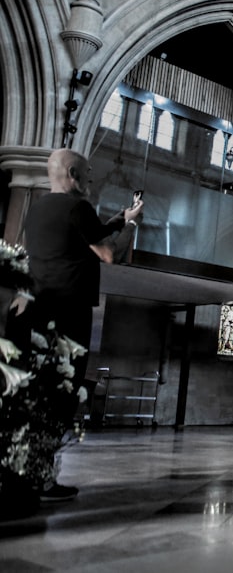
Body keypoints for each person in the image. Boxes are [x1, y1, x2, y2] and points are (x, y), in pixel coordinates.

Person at [9, 148, 143, 501]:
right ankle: (41, 479)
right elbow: (109, 254)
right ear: (72, 173)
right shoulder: (78, 207)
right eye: (88, 173)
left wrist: (117, 218)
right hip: (68, 316)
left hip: (36, 313)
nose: (92, 179)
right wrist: (130, 225)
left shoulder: (37, 209)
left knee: (32, 397)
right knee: (61, 398)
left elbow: (87, 233)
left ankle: (21, 475)